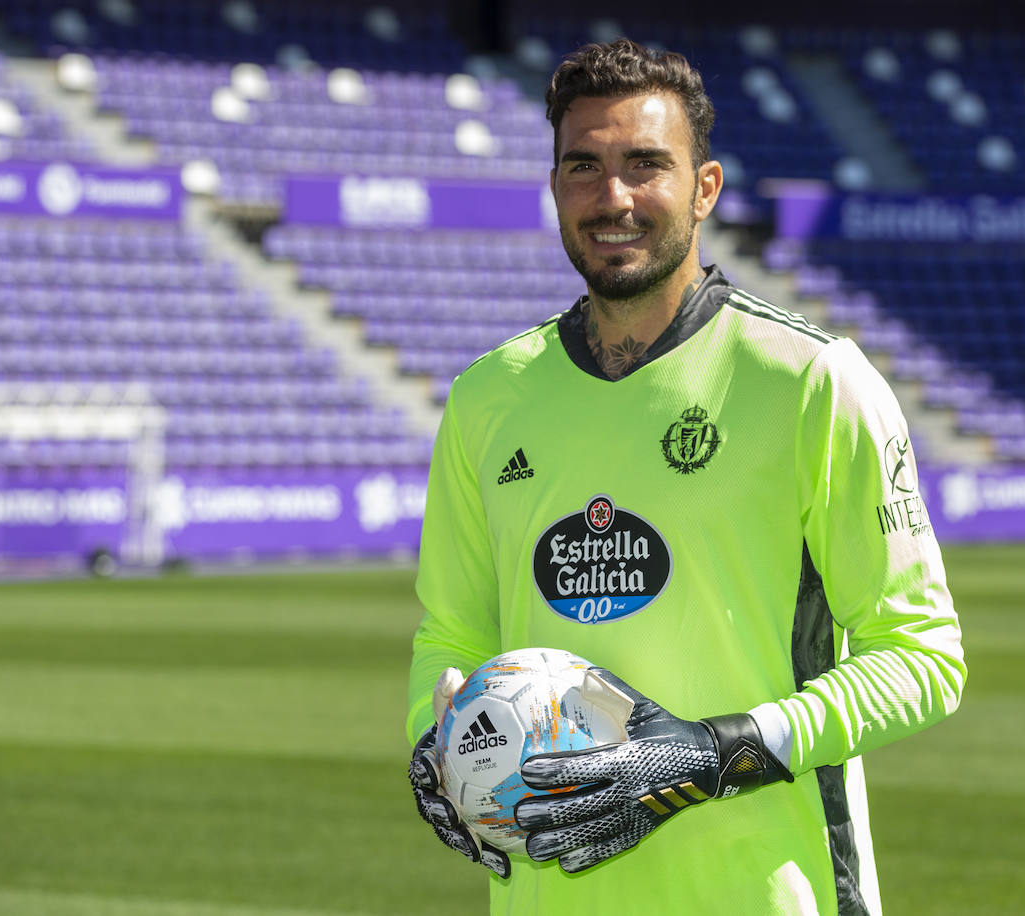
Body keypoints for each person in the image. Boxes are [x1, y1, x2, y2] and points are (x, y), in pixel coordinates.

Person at [406, 37, 966, 915]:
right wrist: (432, 744)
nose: (613, 197)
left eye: (645, 166)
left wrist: (716, 751)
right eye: (583, 166)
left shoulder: (813, 381)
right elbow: (450, 637)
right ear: (555, 186)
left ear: (704, 188)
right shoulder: (489, 398)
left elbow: (922, 658)